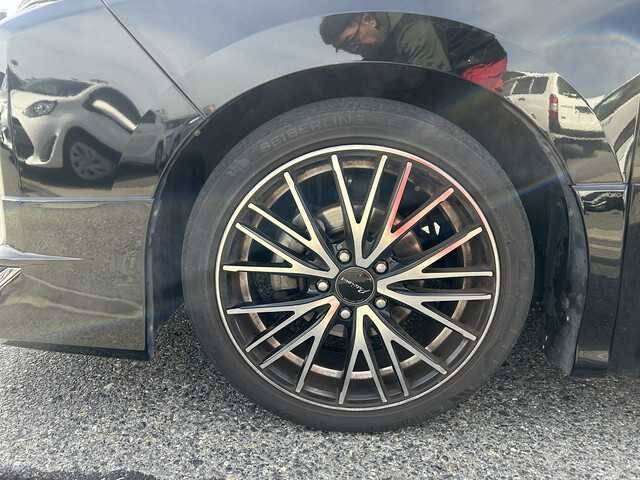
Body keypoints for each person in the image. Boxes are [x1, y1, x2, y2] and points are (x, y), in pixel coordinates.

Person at [319, 13, 508, 92]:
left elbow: (435, 80)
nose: (352, 49)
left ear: (369, 20)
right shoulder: (375, 45)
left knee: (470, 115)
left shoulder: (412, 29)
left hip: (478, 59)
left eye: (351, 40)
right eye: (342, 47)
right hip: (447, 64)